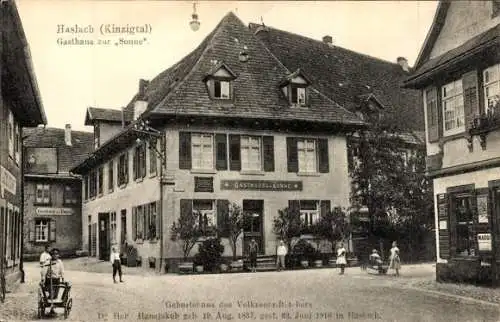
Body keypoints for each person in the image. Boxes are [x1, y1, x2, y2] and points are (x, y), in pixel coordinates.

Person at [45, 249, 64, 315]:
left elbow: (62, 270)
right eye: (53, 254)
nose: (55, 255)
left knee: (56, 293)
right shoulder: (48, 262)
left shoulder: (60, 262)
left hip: (57, 279)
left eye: (56, 254)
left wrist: (62, 277)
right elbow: (44, 270)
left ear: (58, 255)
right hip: (50, 279)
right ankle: (51, 308)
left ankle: (53, 308)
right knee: (51, 293)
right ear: (51, 255)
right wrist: (43, 278)